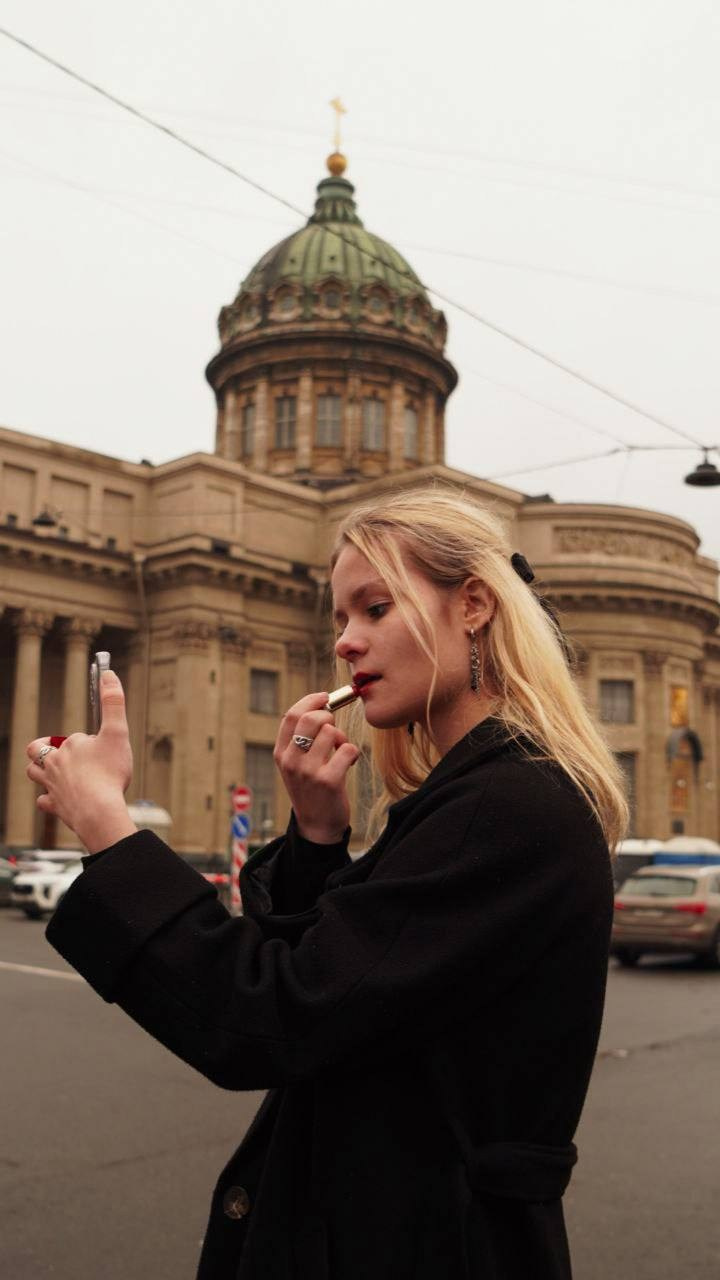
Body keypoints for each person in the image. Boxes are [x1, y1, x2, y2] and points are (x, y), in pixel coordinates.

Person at [28, 485, 626, 1280]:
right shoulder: (478, 793)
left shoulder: (508, 803)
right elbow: (357, 1001)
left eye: (374, 608)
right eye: (341, 618)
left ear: (474, 604)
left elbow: (270, 1019)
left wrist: (108, 825)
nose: (345, 642)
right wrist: (316, 836)